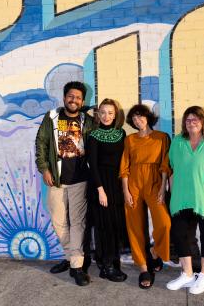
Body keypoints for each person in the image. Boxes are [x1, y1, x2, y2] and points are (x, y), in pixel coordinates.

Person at [35, 81, 95, 286]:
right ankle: (70, 257)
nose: (74, 100)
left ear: (82, 101)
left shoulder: (87, 120)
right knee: (59, 222)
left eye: (78, 97)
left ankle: (77, 266)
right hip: (57, 180)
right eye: (71, 96)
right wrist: (44, 168)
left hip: (81, 180)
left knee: (77, 223)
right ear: (64, 97)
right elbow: (41, 143)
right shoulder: (52, 118)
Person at [166, 106, 204, 295]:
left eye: (195, 120)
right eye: (188, 120)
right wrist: (173, 196)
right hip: (181, 199)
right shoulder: (177, 142)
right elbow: (173, 171)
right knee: (180, 235)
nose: (191, 123)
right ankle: (188, 274)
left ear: (203, 122)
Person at [119, 104, 171, 289]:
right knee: (134, 227)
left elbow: (165, 163)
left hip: (155, 182)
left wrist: (162, 188)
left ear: (148, 117)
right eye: (133, 119)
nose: (137, 121)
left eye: (140, 117)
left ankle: (155, 253)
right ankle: (143, 268)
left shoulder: (162, 138)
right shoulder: (130, 140)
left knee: (164, 223)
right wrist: (125, 191)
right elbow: (124, 166)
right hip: (133, 183)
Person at [87, 98, 128, 282]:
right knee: (104, 226)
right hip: (100, 184)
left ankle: (111, 260)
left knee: (114, 224)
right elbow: (92, 165)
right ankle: (107, 266)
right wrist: (100, 190)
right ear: (98, 114)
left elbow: (124, 161)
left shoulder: (121, 133)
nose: (106, 116)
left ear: (115, 115)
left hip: (116, 184)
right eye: (103, 112)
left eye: (110, 113)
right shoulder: (93, 135)